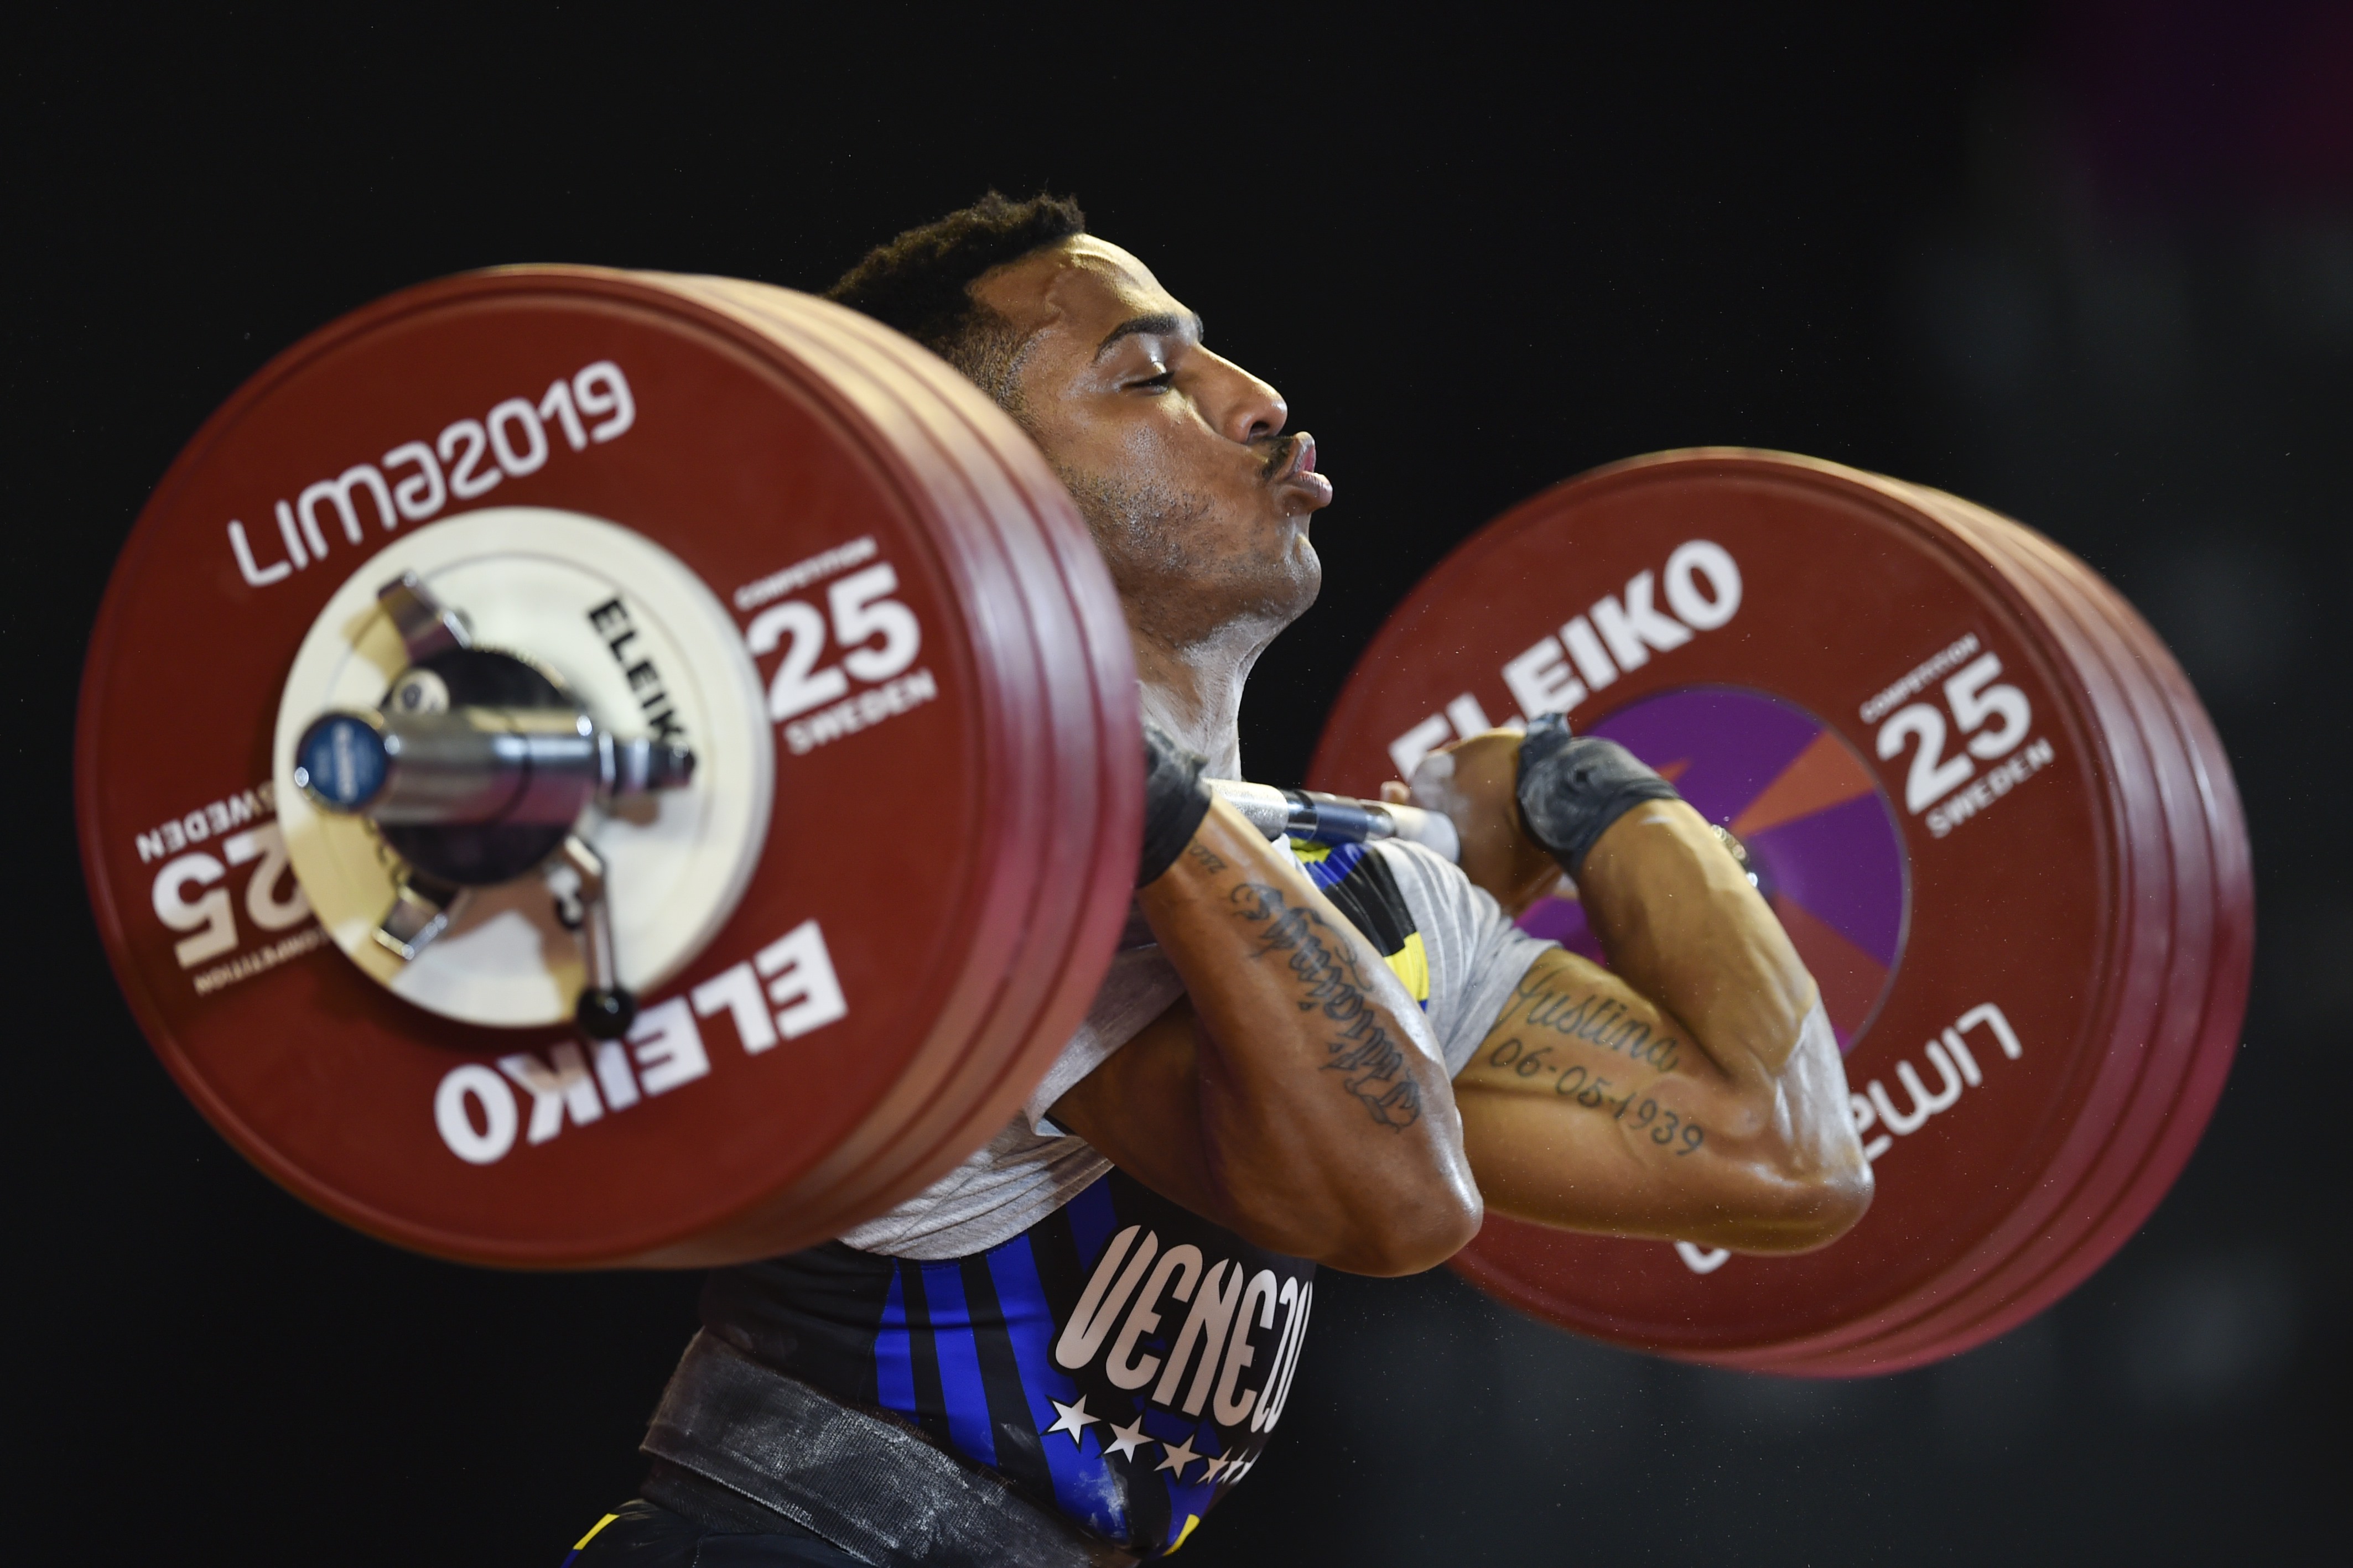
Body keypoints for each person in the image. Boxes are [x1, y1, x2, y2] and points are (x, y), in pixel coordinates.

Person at [568, 193, 1871, 1568]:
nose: (1257, 401)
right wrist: (1128, 781)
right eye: (1148, 377)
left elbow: (1782, 1154)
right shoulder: (941, 856)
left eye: (1215, 359)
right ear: (971, 490)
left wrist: (1591, 794)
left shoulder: (1354, 876)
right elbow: (1392, 1199)